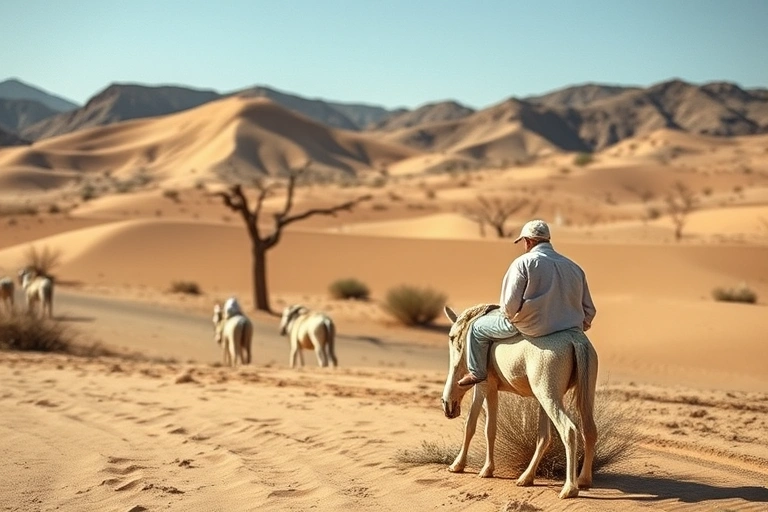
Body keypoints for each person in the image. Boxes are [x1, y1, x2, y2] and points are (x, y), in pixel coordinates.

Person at [458, 219, 597, 387]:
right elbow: (589, 310)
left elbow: (509, 307)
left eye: (524, 242)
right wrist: (577, 325)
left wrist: (511, 316)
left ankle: (477, 372)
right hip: (568, 328)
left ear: (528, 241)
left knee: (477, 327)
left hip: (531, 326)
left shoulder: (523, 263)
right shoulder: (574, 267)